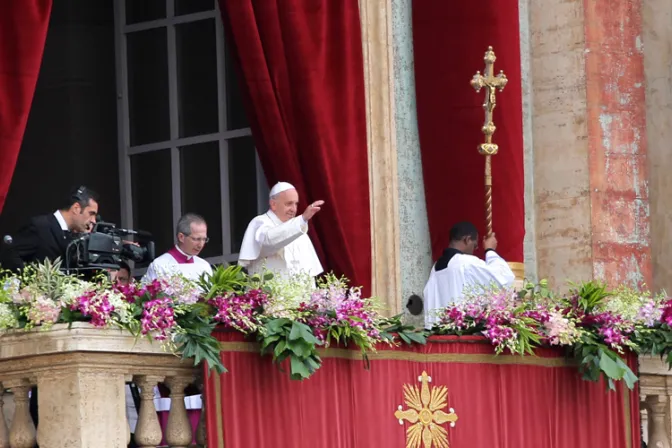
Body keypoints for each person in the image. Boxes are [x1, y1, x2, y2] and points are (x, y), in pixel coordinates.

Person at [423, 221, 515, 328]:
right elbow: (503, 279)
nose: (474, 250)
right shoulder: (465, 263)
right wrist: (490, 250)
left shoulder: (435, 268)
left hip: (438, 339)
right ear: (467, 240)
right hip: (462, 338)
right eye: (475, 246)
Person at [0, 185, 99, 271]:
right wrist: (25, 284)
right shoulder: (40, 227)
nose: (94, 221)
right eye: (91, 214)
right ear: (76, 208)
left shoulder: (75, 237)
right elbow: (10, 252)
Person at [238, 181, 323, 279]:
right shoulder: (260, 222)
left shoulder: (300, 230)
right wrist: (302, 219)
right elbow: (268, 241)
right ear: (273, 204)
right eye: (289, 204)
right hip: (269, 293)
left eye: (296, 204)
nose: (294, 209)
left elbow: (309, 274)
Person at [141, 213, 213, 283]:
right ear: (181, 237)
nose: (201, 245)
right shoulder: (160, 265)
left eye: (204, 239)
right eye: (196, 239)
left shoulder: (204, 266)